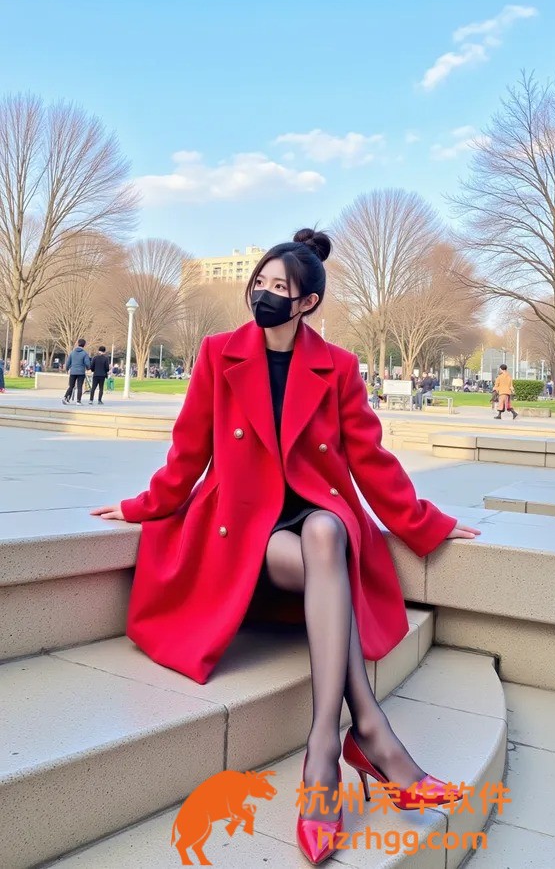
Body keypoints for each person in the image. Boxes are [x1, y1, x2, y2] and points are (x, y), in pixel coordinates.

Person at [91, 228, 480, 865]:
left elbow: (370, 460)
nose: (264, 295)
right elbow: (189, 452)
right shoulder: (217, 354)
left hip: (313, 515)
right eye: (261, 284)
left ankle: (323, 750)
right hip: (247, 527)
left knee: (328, 530)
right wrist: (141, 506)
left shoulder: (338, 367)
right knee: (325, 549)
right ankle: (368, 736)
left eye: (280, 288)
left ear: (307, 303)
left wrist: (426, 523)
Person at [62, 338, 91, 405]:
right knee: (79, 387)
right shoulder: (84, 354)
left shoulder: (72, 353)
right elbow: (87, 363)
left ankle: (65, 397)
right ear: (84, 345)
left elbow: (68, 362)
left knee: (71, 386)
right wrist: (88, 368)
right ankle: (78, 401)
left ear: (78, 344)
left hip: (73, 372)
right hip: (81, 372)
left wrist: (67, 369)